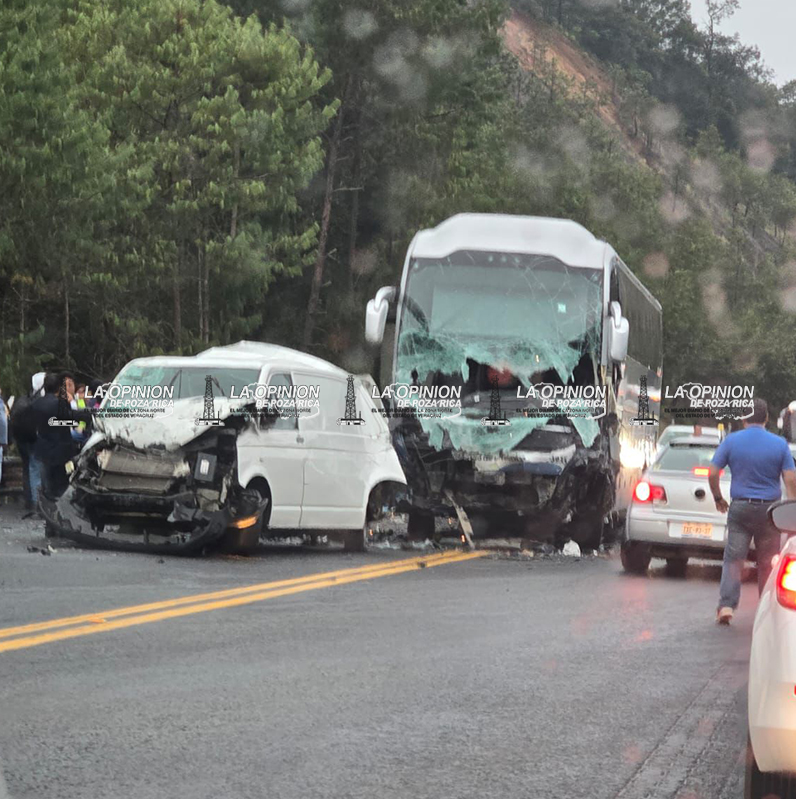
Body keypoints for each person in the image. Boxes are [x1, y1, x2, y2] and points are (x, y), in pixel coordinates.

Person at [709, 398, 796, 625]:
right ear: (766, 418)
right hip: (769, 511)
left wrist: (718, 498)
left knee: (734, 558)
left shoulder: (731, 441)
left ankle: (726, 606)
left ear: (743, 418)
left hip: (740, 507)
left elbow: (713, 472)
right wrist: (791, 508)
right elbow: (790, 479)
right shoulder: (779, 444)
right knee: (767, 561)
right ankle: (766, 610)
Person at [32, 373, 93, 528]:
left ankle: (49, 523)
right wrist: (88, 414)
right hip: (61, 451)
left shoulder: (37, 404)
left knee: (47, 488)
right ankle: (61, 521)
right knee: (61, 487)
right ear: (59, 388)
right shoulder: (60, 404)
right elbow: (72, 418)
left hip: (44, 451)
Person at [9, 372, 45, 511]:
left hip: (22, 439)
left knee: (27, 468)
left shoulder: (24, 399)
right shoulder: (42, 400)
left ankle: (28, 500)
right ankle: (37, 504)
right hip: (35, 440)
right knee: (35, 468)